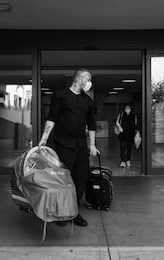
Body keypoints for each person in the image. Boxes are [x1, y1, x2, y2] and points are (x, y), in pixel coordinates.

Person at [38, 68, 100, 227]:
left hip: (81, 146)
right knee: (64, 180)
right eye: (88, 79)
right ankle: (62, 213)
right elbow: (52, 119)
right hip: (63, 144)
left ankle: (74, 212)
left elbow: (92, 125)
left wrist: (92, 145)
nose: (89, 83)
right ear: (79, 79)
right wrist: (43, 140)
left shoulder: (88, 101)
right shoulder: (61, 95)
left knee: (81, 179)